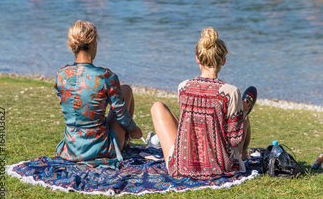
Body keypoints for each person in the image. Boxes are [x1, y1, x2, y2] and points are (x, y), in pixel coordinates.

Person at [151, 28, 256, 179]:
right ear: (223, 61)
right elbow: (234, 140)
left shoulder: (183, 87)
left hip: (183, 167)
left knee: (158, 107)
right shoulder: (230, 92)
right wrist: (241, 113)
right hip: (219, 167)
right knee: (242, 120)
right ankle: (245, 152)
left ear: (197, 59)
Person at [55, 20, 142, 168]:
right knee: (126, 89)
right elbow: (120, 113)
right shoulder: (105, 76)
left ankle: (125, 138)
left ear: (71, 47)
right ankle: (126, 141)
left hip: (70, 149)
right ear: (94, 43)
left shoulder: (61, 74)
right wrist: (134, 129)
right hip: (100, 149)